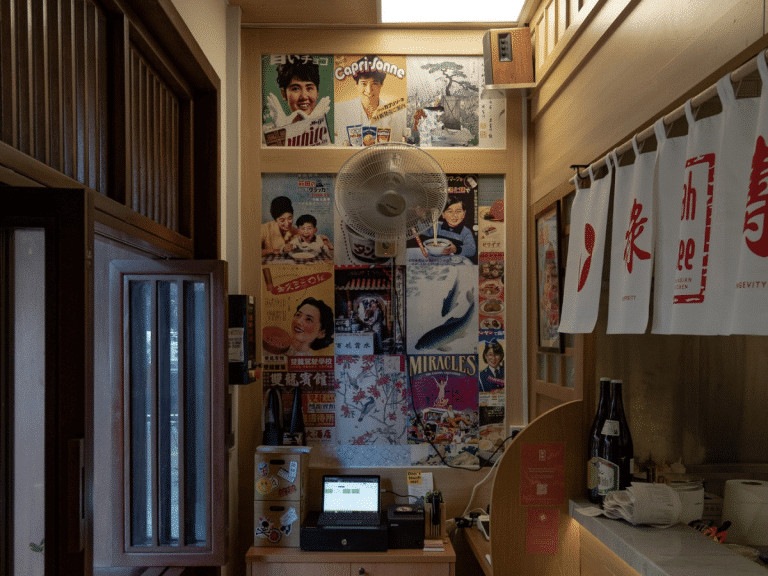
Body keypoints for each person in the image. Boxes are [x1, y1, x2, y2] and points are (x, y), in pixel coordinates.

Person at [334, 55, 406, 145]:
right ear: (356, 84)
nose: (368, 90)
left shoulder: (396, 115)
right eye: (363, 84)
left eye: (374, 83)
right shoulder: (339, 110)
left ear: (381, 84)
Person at [267, 56, 330, 127]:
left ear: (317, 92)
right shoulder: (269, 128)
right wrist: (282, 129)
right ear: (283, 94)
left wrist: (313, 123)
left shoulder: (333, 123)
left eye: (309, 88)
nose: (304, 97)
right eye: (295, 89)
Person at [433, 194, 477, 259]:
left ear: (464, 214)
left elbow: (471, 250)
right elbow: (420, 229)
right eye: (450, 211)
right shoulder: (436, 226)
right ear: (443, 214)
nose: (454, 215)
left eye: (458, 211)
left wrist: (456, 249)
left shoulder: (466, 232)